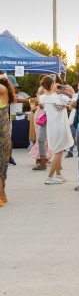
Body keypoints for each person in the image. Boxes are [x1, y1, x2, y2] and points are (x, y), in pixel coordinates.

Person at [38, 76, 73, 184]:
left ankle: (58, 174)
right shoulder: (59, 97)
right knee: (58, 152)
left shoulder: (42, 98)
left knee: (59, 150)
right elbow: (72, 100)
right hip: (60, 127)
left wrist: (54, 90)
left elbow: (41, 106)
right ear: (53, 84)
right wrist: (65, 90)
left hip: (51, 128)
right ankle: (50, 177)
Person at [0, 72, 16, 205]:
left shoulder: (3, 90)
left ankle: (2, 194)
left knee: (1, 165)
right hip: (3, 134)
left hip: (1, 135)